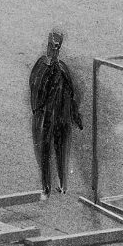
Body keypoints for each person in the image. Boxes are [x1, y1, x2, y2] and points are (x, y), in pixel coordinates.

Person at [27, 29, 82, 195]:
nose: (54, 50)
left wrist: (74, 115)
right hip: (45, 117)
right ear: (48, 45)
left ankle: (61, 184)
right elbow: (35, 88)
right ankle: (46, 186)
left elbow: (70, 92)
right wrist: (38, 112)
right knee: (44, 152)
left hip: (60, 116)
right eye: (52, 46)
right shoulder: (41, 65)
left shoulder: (62, 68)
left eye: (57, 48)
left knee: (60, 150)